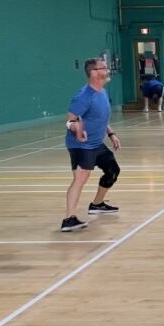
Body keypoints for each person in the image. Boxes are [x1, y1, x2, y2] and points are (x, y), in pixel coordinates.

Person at [62, 58, 121, 232]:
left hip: (97, 143)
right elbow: (69, 121)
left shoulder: (101, 91)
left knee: (112, 170)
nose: (108, 70)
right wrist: (77, 129)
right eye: (104, 67)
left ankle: (97, 204)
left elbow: (99, 117)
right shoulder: (83, 96)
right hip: (81, 145)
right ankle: (68, 219)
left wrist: (111, 133)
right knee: (80, 179)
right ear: (94, 72)